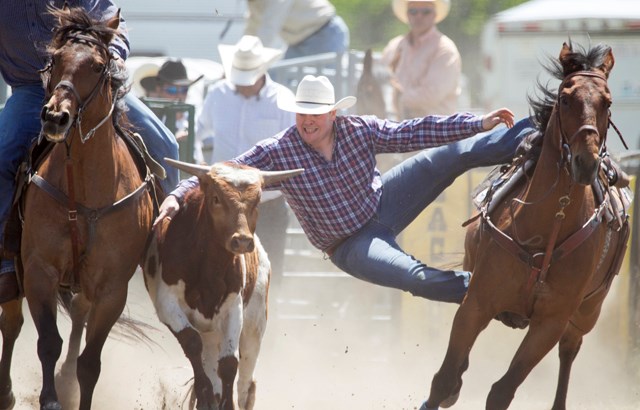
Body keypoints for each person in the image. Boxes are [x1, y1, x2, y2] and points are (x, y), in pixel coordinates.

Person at [154, 74, 534, 304]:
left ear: (332, 113)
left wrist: (478, 122)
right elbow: (224, 171)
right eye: (302, 112)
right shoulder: (280, 149)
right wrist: (175, 195)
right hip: (349, 244)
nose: (307, 120)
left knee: (445, 157)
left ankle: (536, 133)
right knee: (413, 276)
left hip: (384, 201)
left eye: (315, 112)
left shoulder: (358, 129)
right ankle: (488, 290)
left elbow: (413, 131)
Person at [0, 0, 180, 303]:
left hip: (90, 84)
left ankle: (167, 247)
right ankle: (5, 257)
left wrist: (116, 55)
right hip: (32, 89)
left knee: (165, 144)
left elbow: (111, 22)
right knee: (3, 152)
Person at [196, 35, 295, 285]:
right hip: (223, 205)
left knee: (268, 276)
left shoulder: (283, 101)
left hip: (266, 204)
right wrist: (202, 168)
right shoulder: (218, 95)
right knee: (217, 271)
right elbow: (196, 131)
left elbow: (294, 148)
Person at [381, 0, 461, 119]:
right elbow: (380, 79)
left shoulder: (445, 49)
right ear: (407, 14)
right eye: (413, 11)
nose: (419, 16)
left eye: (426, 11)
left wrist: (395, 97)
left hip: (435, 130)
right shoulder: (394, 47)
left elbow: (432, 95)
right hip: (398, 127)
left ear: (435, 14)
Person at [244, 0, 349, 59]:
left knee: (323, 91)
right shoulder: (253, 3)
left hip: (324, 34)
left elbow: (268, 28)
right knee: (279, 80)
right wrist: (241, 56)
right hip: (296, 44)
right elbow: (251, 31)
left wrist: (252, 62)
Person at [140, 59, 203, 142]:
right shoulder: (150, 121)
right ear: (159, 90)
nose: (179, 95)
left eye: (184, 90)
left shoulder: (197, 119)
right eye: (172, 90)